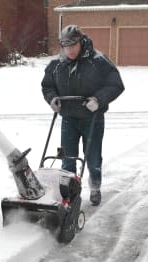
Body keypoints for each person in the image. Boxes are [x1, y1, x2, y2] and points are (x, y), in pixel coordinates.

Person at [41, 24, 124, 206]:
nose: (69, 50)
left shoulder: (98, 61)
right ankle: (68, 193)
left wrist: (98, 100)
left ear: (81, 42)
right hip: (69, 118)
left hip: (92, 118)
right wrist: (53, 99)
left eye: (73, 45)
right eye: (66, 46)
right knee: (67, 159)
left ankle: (95, 186)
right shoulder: (57, 65)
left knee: (93, 158)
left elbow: (116, 84)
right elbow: (47, 86)